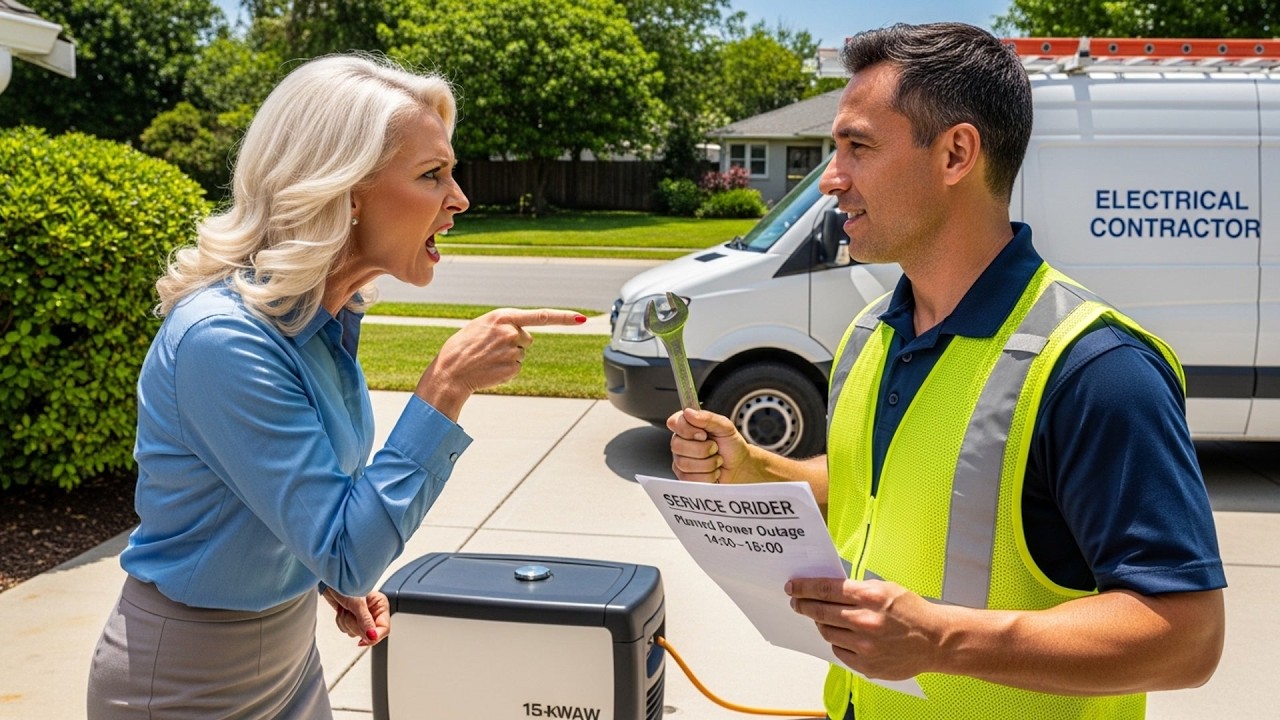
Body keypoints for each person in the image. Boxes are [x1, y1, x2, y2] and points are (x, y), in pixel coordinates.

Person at [668, 23, 1225, 719]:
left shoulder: (1097, 369)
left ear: (957, 153)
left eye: (858, 147)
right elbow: (877, 488)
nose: (832, 181)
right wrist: (754, 467)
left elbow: (1187, 637)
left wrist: (941, 639)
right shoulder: (871, 333)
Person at [86, 53, 585, 718]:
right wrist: (443, 387)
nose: (460, 198)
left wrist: (319, 578)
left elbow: (298, 512)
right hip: (185, 680)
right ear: (347, 192)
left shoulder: (324, 319)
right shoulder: (223, 339)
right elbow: (349, 550)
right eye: (433, 175)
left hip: (290, 656)